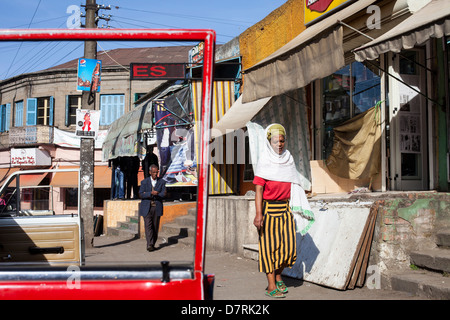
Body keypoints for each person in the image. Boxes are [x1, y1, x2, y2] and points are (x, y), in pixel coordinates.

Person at [253, 123, 313, 298]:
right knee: (269, 249)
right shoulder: (264, 161)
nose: (279, 144)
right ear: (268, 142)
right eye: (275, 141)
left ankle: (278, 276)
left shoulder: (288, 158)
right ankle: (271, 285)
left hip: (285, 211)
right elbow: (258, 190)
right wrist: (258, 214)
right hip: (269, 211)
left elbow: (294, 181)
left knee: (287, 249)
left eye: (281, 141)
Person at [139, 164, 166, 252]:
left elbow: (164, 194)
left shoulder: (161, 182)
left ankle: (153, 243)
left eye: (156, 172)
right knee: (148, 226)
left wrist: (157, 194)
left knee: (155, 227)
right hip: (147, 207)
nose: (155, 174)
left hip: (156, 207)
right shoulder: (144, 182)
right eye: (153, 172)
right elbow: (140, 194)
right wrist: (150, 193)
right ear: (150, 172)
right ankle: (149, 244)